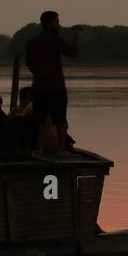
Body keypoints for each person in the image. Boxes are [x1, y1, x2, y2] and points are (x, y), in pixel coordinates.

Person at [24, 10, 81, 154]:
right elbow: (72, 53)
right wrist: (77, 36)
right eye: (57, 22)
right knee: (60, 120)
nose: (59, 25)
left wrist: (39, 74)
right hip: (56, 87)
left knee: (39, 120)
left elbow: (29, 63)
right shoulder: (56, 40)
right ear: (49, 24)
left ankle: (38, 148)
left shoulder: (32, 42)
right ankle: (61, 149)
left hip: (39, 86)